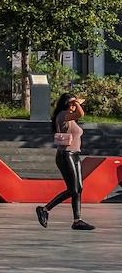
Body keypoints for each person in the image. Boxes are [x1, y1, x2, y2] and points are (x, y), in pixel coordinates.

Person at [37, 93, 95, 231]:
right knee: (73, 189)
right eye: (71, 103)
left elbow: (78, 114)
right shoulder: (63, 115)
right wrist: (77, 102)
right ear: (66, 104)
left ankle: (77, 221)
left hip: (75, 155)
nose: (74, 106)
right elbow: (81, 113)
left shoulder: (70, 118)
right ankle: (44, 209)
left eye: (74, 104)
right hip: (65, 155)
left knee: (78, 189)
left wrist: (75, 101)